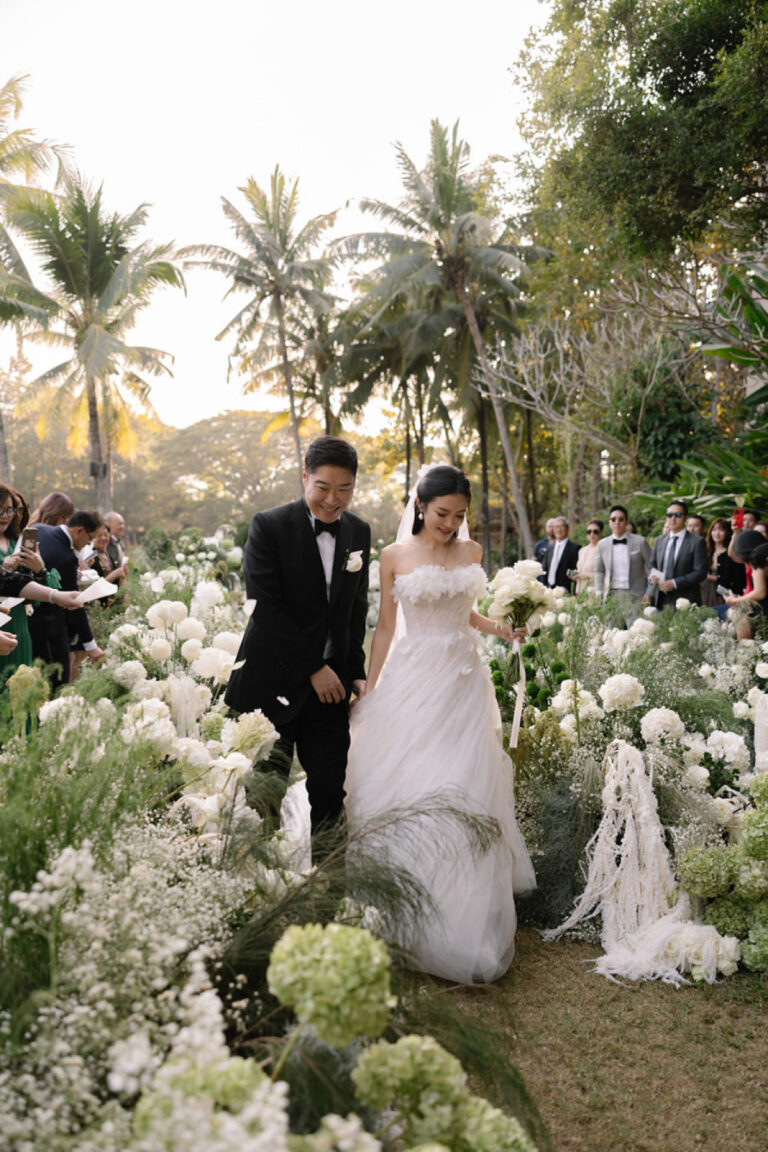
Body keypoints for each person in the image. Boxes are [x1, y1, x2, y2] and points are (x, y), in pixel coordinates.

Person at [345, 464, 535, 983]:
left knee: (464, 781)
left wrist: (502, 629)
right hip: (414, 676)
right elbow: (386, 627)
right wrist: (371, 686)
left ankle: (461, 910)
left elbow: (466, 611)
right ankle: (400, 897)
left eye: (459, 515)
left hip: (464, 681)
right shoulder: (393, 556)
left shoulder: (472, 553)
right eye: (441, 514)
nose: (450, 524)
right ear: (421, 506)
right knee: (411, 778)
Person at [225, 436, 371, 852]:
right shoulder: (268, 525)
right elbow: (265, 608)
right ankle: (258, 891)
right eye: (323, 487)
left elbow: (355, 609)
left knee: (330, 797)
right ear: (304, 476)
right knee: (263, 798)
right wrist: (313, 667)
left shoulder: (359, 530)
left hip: (331, 691)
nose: (332, 499)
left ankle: (328, 899)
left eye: (344, 488)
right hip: (271, 682)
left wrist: (355, 671)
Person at [29, 510, 105, 689]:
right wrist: (91, 645)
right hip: (50, 631)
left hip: (26, 623)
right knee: (56, 685)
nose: (88, 544)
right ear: (80, 530)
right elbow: (75, 605)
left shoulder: (38, 528)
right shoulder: (66, 557)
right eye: (89, 539)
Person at [0, 483, 62, 680]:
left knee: (20, 692)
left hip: (19, 626)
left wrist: (39, 568)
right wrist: (4, 570)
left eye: (10, 509)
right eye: (0, 509)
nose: (5, 515)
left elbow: (45, 593)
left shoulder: (19, 541)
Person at [644, 499, 707, 609]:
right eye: (669, 515)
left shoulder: (697, 542)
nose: (673, 519)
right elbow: (652, 565)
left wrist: (674, 583)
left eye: (677, 515)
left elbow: (700, 572)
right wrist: (652, 576)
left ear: (685, 517)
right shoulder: (660, 540)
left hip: (686, 600)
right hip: (661, 599)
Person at [593, 505, 650, 620]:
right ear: (609, 522)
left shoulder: (640, 542)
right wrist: (599, 592)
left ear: (627, 522)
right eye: (613, 520)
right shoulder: (602, 544)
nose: (617, 522)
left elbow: (653, 567)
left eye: (621, 519)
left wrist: (649, 593)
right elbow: (599, 570)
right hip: (611, 595)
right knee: (610, 633)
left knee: (636, 634)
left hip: (635, 595)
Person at [723, 541, 768, 640]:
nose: (753, 574)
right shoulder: (759, 558)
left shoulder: (759, 559)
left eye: (755, 570)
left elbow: (760, 592)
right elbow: (732, 554)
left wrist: (735, 601)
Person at [702, 517, 744, 607]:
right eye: (714, 530)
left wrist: (711, 578)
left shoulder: (731, 554)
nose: (717, 533)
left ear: (727, 532)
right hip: (704, 591)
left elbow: (734, 578)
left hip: (723, 595)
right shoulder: (705, 551)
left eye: (721, 530)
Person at [542, 516, 580, 594]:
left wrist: (575, 593)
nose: (559, 530)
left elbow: (576, 572)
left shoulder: (575, 548)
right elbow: (545, 570)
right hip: (548, 591)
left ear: (567, 529)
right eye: (556, 527)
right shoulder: (549, 547)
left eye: (562, 526)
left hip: (566, 592)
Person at [574, 518, 603, 593]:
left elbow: (605, 575)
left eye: (595, 531)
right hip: (580, 593)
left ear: (601, 533)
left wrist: (586, 576)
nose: (592, 534)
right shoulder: (582, 550)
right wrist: (575, 574)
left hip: (594, 592)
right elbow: (580, 571)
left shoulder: (603, 550)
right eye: (589, 531)